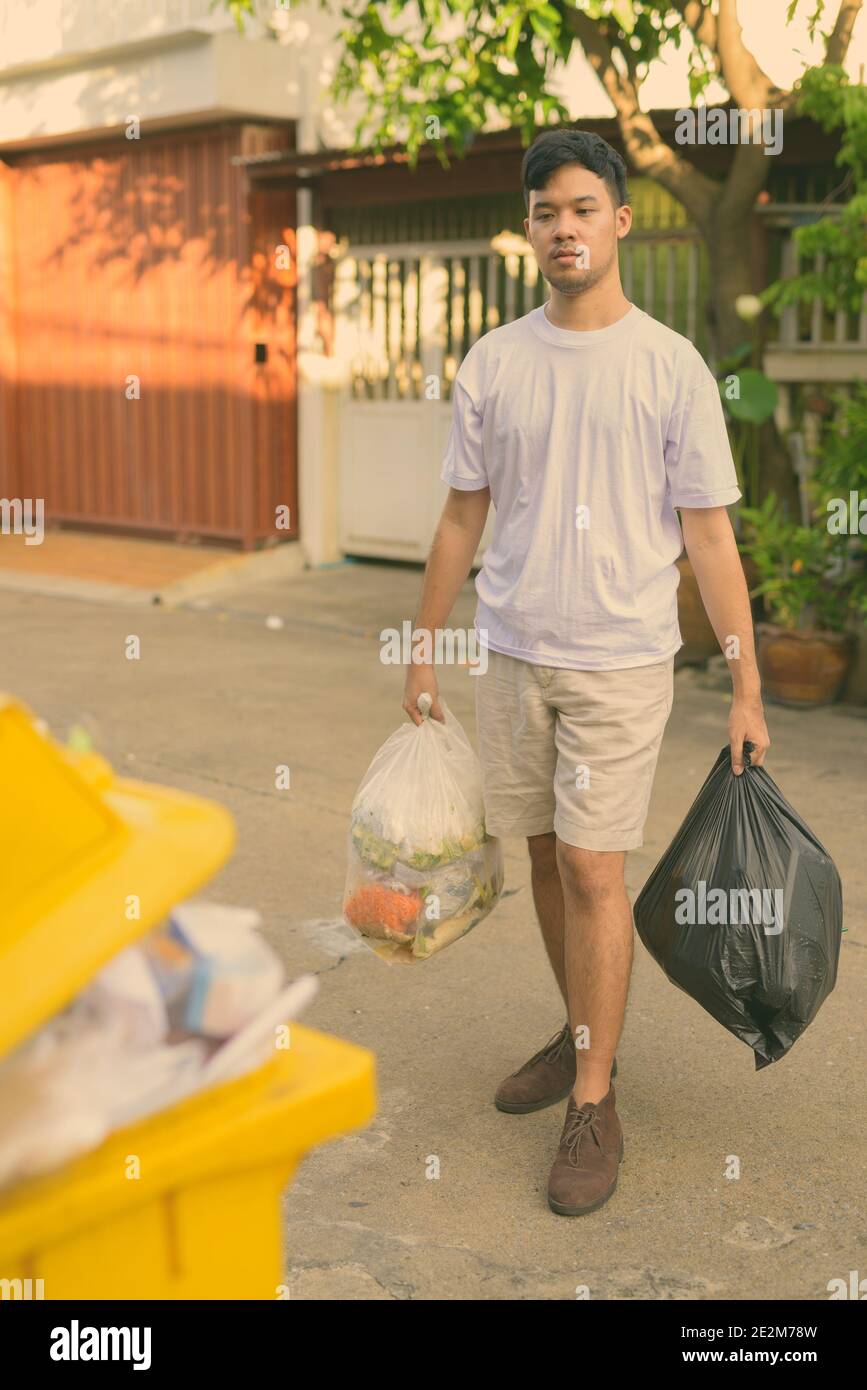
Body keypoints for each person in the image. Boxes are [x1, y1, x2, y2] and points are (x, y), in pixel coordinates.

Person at [402, 127, 771, 1216]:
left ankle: (595, 1099)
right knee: (551, 863)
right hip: (513, 652)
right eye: (542, 214)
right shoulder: (495, 361)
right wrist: (422, 641)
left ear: (618, 217)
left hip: (619, 663)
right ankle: (580, 1038)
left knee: (598, 875)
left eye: (579, 208)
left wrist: (747, 687)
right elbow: (462, 515)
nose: (562, 229)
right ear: (530, 232)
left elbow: (709, 538)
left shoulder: (670, 366)